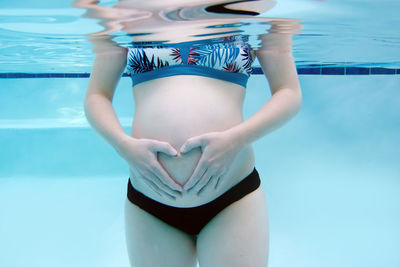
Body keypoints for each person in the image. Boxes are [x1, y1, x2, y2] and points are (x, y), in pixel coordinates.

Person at [84, 22, 302, 267]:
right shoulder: (130, 12)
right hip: (150, 200)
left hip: (231, 195)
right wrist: (122, 144)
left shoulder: (251, 9)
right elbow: (97, 95)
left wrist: (236, 139)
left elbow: (289, 93)